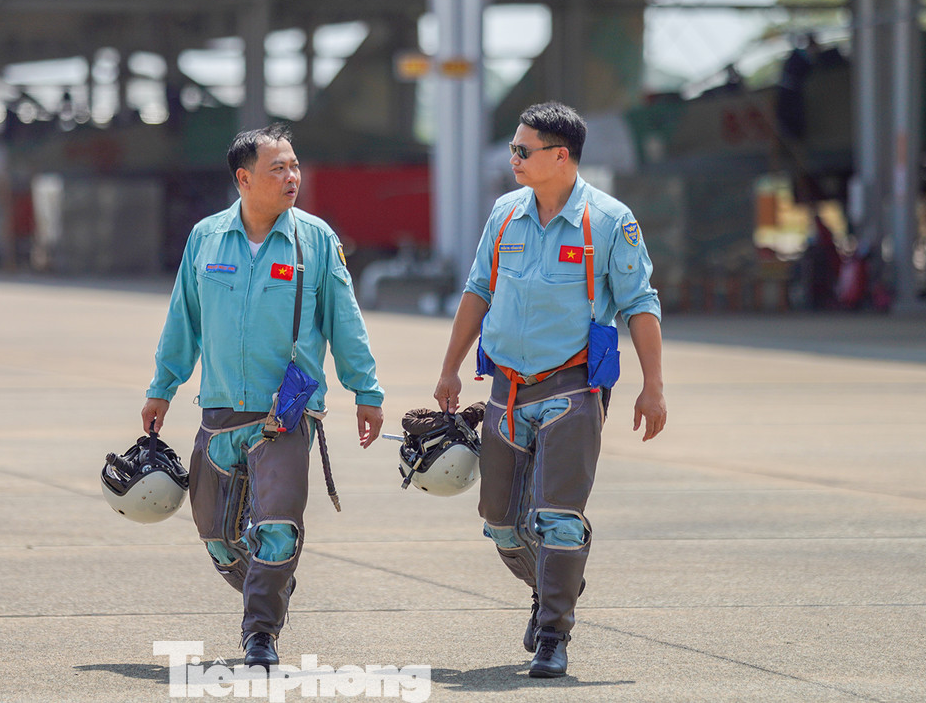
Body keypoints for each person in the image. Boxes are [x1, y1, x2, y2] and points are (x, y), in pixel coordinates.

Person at [432, 101, 667, 679]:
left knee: (558, 519)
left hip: (572, 392)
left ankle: (553, 634)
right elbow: (478, 290)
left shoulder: (609, 221)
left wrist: (653, 387)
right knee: (500, 522)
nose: (513, 158)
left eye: (523, 150)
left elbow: (639, 304)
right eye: (514, 148)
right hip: (506, 391)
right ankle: (557, 578)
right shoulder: (504, 213)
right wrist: (450, 367)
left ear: (561, 156)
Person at [142, 122, 385, 668]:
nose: (292, 176)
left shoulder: (315, 241)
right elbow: (184, 319)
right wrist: (163, 387)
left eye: (295, 166)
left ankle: (260, 633)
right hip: (220, 408)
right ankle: (271, 587)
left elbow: (344, 321)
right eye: (278, 168)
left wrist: (365, 391)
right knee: (217, 536)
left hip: (287, 413)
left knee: (277, 527)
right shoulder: (206, 238)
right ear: (244, 179)